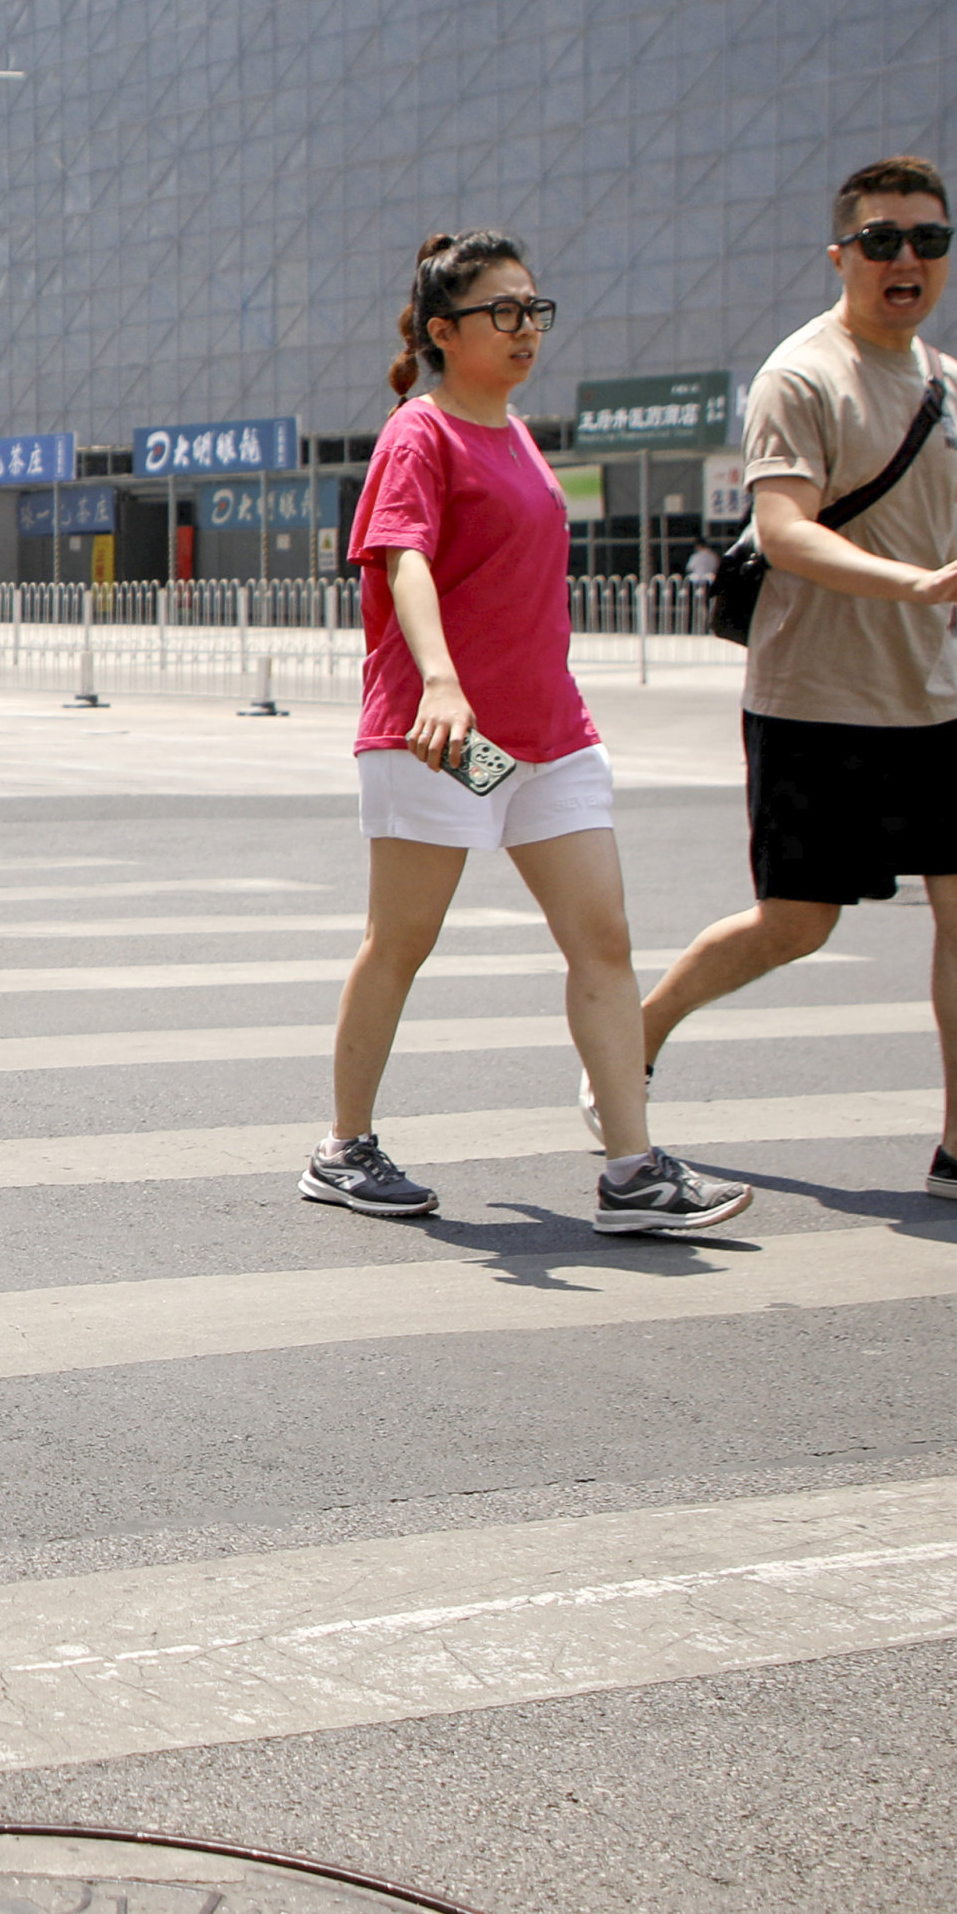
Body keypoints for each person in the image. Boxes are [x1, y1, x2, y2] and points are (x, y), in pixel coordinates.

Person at [634, 155, 957, 1211]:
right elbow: (786, 529)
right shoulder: (801, 374)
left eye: (928, 241)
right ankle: (636, 1035)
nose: (907, 260)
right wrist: (917, 582)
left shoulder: (952, 379)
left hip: (937, 698)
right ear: (841, 253)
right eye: (884, 240)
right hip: (814, 698)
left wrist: (938, 585)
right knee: (796, 923)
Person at [307, 232, 749, 1234]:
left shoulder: (516, 431)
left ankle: (633, 1169)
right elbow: (402, 560)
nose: (525, 329)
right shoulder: (421, 434)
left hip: (550, 736)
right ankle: (344, 1146)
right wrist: (443, 683)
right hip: (444, 732)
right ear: (441, 331)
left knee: (604, 939)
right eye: (502, 311)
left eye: (534, 309)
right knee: (402, 941)